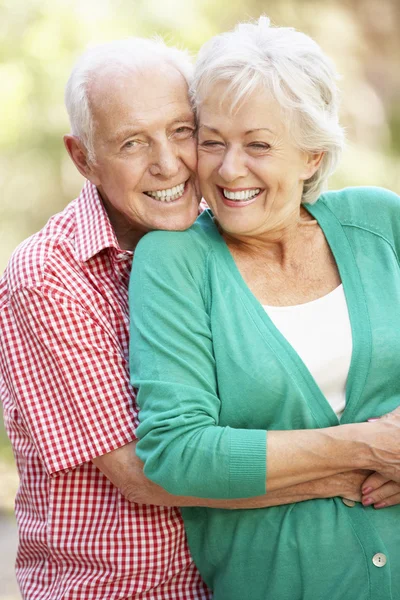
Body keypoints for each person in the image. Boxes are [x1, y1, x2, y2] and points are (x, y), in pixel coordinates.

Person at [0, 34, 368, 600]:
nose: (168, 164)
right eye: (132, 143)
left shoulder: (227, 223)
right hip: (120, 588)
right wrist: (359, 467)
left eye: (182, 131)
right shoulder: (47, 277)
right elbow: (143, 475)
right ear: (84, 158)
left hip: (233, 578)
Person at [129, 18, 400, 600]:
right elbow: (176, 454)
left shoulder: (381, 224)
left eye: (258, 145)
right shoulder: (174, 262)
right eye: (211, 141)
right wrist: (366, 448)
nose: (228, 170)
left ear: (311, 156)